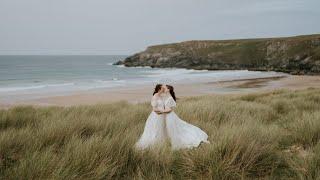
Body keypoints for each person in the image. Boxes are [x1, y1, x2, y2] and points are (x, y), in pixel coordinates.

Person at [135, 84, 210, 150]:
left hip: (165, 115)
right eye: (163, 88)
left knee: (171, 129)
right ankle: (158, 142)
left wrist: (162, 112)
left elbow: (170, 109)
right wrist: (158, 111)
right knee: (157, 128)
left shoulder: (169, 97)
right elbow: (154, 106)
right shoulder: (160, 96)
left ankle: (170, 141)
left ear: (169, 90)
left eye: (166, 88)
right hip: (158, 115)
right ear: (159, 89)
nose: (164, 89)